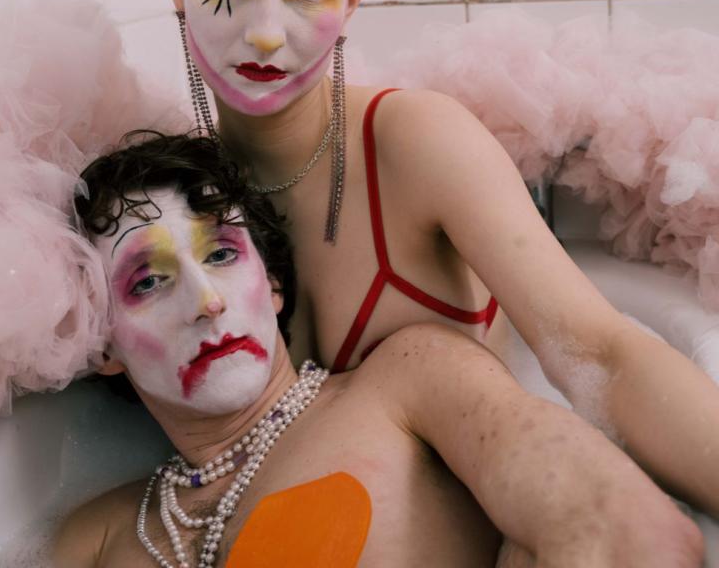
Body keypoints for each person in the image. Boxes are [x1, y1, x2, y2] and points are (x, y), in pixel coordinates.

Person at [157, 0, 719, 517]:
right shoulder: (173, 204)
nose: (267, 30)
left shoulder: (415, 141)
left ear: (353, 0)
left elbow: (604, 356)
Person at [54, 132, 701, 568]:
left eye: (222, 254)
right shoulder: (98, 537)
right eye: (148, 281)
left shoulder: (404, 382)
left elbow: (627, 534)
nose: (207, 300)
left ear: (272, 284)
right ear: (101, 340)